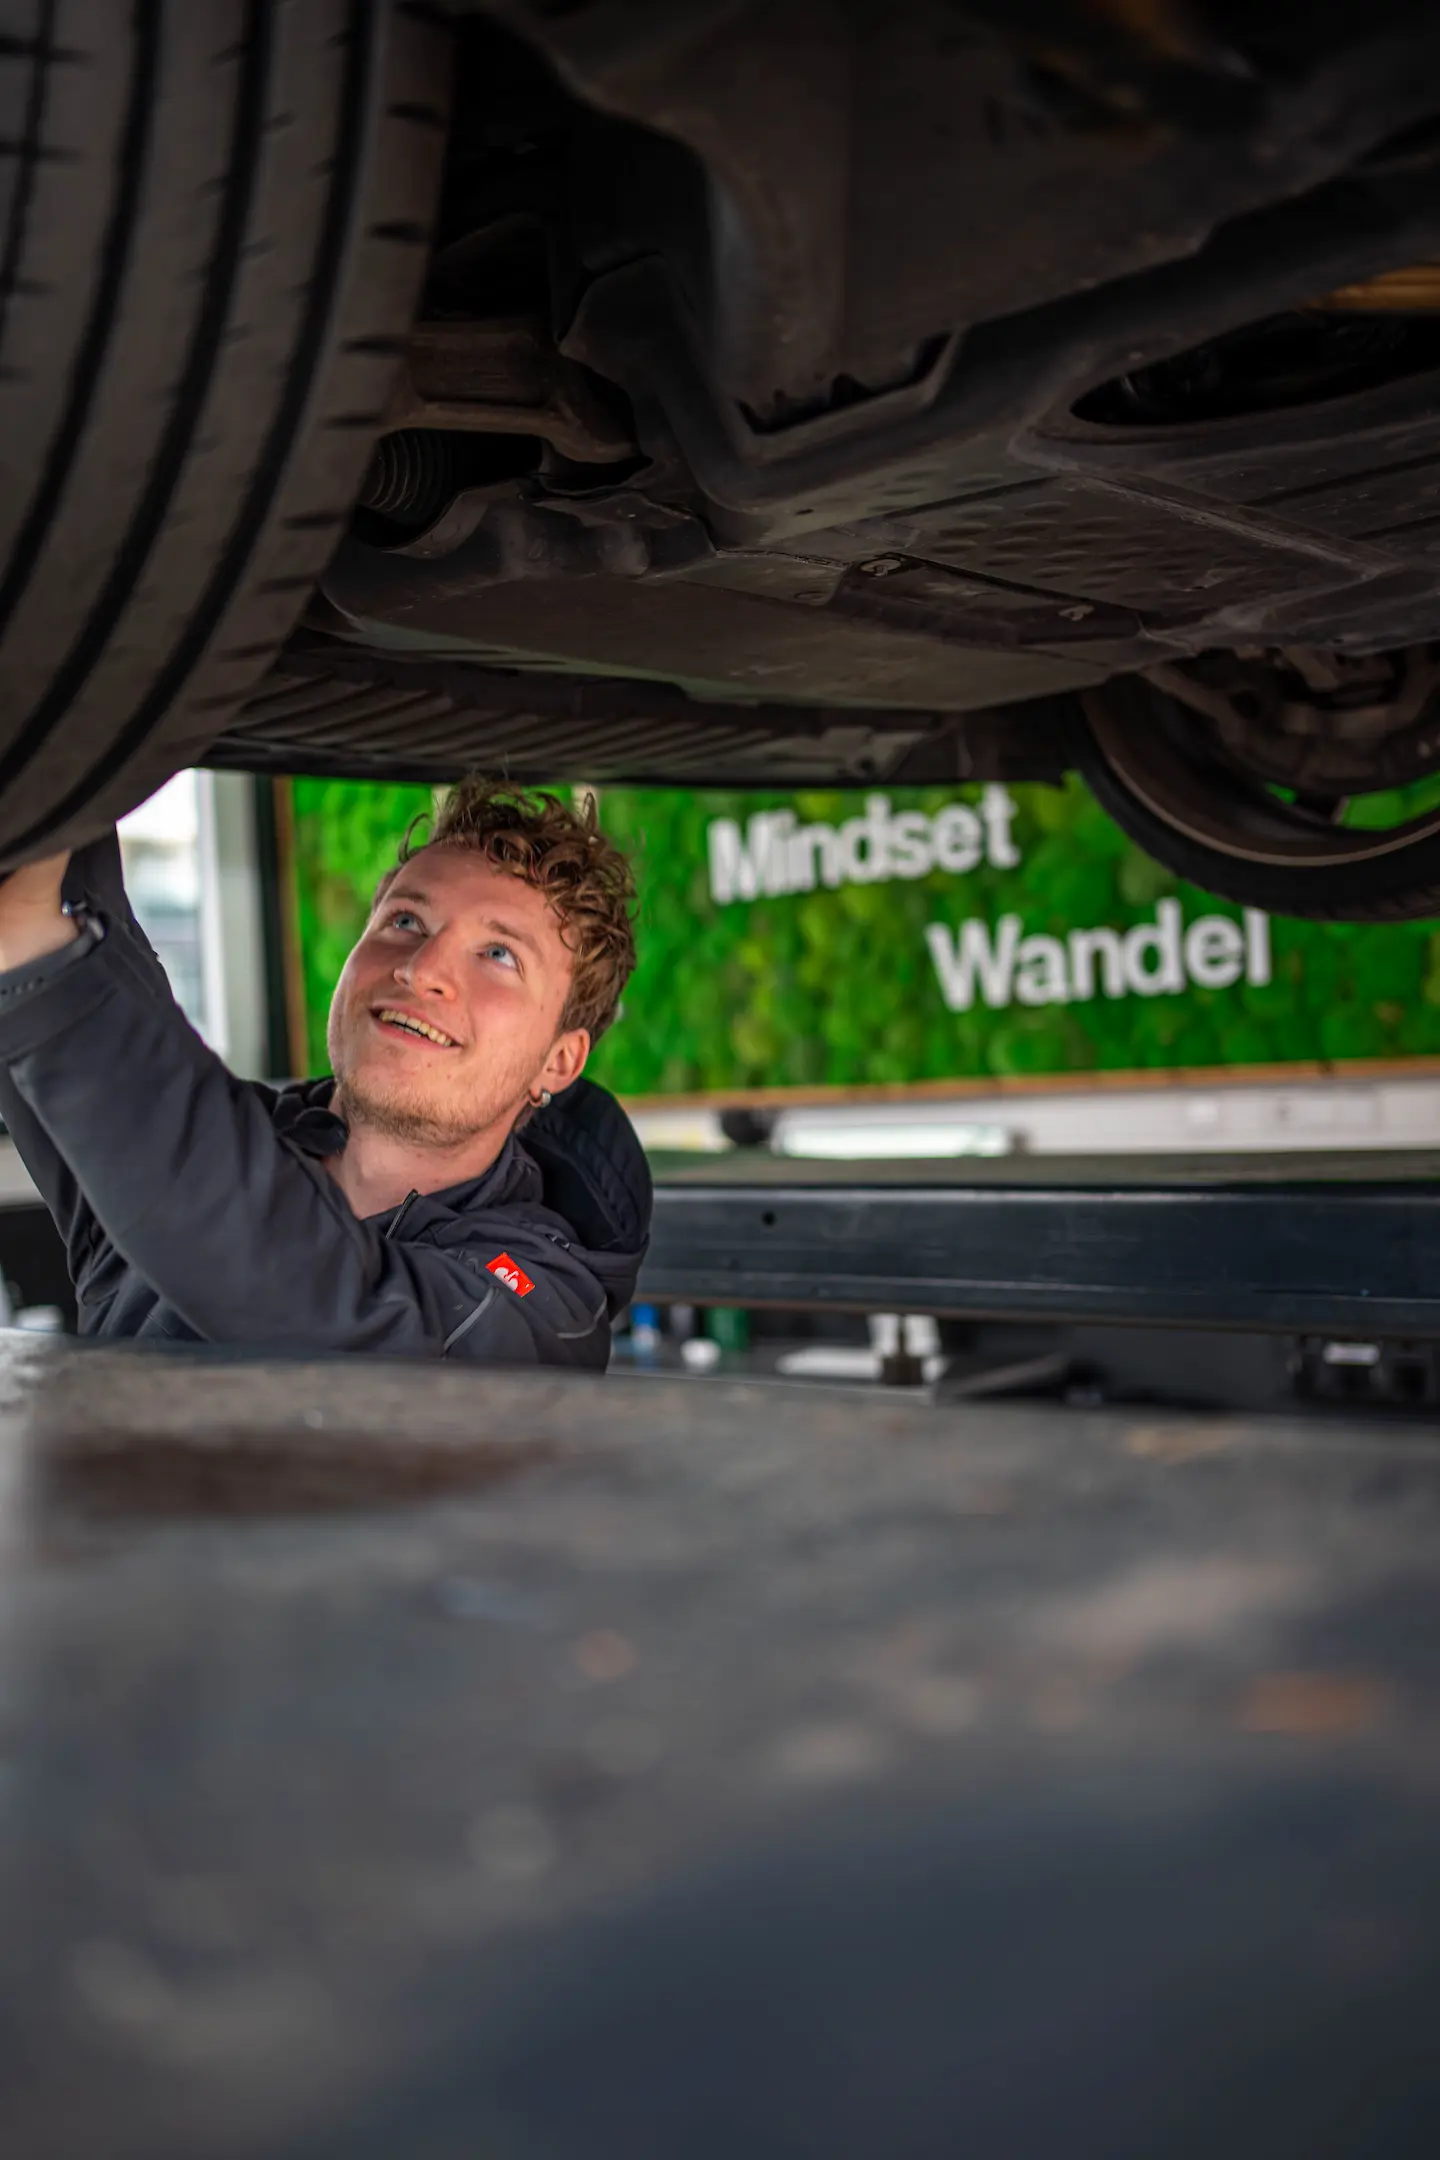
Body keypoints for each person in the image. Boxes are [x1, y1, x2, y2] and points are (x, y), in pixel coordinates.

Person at [0, 779, 652, 1365]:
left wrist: (40, 955)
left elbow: (329, 1314)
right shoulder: (216, 1145)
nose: (421, 969)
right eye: (404, 920)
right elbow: (59, 931)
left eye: (499, 954)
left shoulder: (542, 1301)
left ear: (558, 1062)